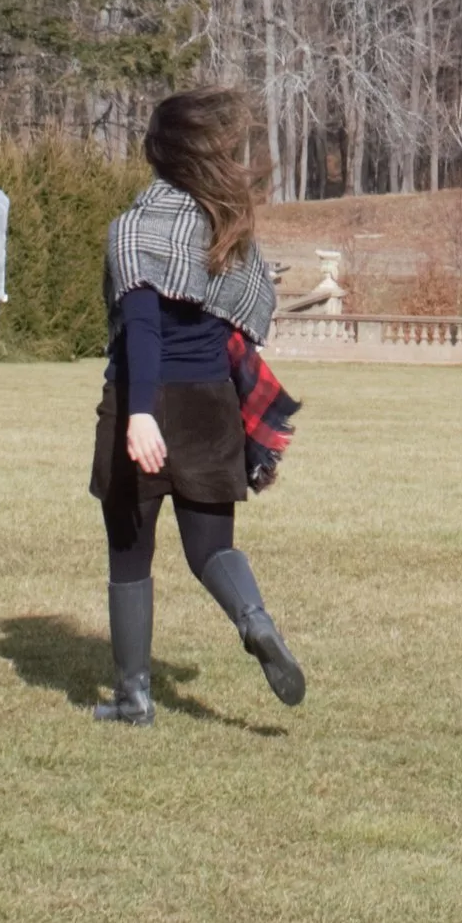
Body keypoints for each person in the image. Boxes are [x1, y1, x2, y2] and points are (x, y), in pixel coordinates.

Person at [90, 87, 306, 725]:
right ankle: (256, 620)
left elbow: (142, 327)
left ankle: (134, 698)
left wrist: (140, 414)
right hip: (213, 404)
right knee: (209, 547)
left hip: (143, 398)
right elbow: (243, 319)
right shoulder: (228, 234)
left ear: (158, 156)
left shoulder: (133, 230)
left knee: (131, 551)